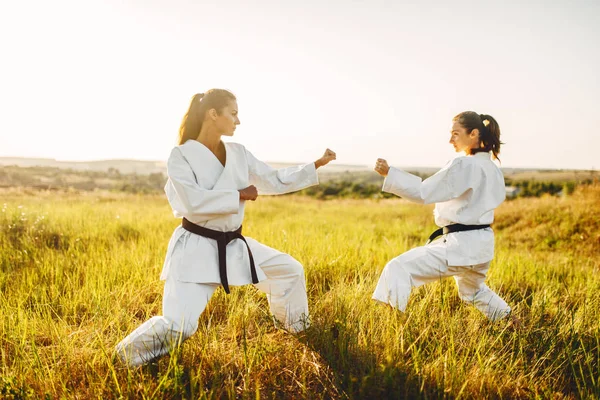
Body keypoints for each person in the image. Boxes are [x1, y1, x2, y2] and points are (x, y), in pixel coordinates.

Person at [115, 89, 336, 366]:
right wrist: (239, 195)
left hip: (233, 244)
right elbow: (192, 202)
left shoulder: (238, 153)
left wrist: (316, 164)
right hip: (196, 247)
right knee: (179, 325)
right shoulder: (180, 156)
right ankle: (123, 358)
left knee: (289, 271)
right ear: (213, 114)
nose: (238, 121)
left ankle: (296, 337)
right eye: (233, 113)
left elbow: (275, 179)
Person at [372, 111, 511, 321]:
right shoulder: (493, 168)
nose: (450, 140)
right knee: (473, 292)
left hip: (459, 247)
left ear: (473, 133)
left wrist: (389, 174)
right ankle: (516, 325)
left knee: (397, 269)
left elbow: (423, 192)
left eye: (455, 133)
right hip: (482, 247)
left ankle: (393, 328)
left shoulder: (464, 164)